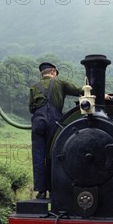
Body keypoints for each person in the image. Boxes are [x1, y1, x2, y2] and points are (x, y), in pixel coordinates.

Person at [29, 62, 83, 199]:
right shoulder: (60, 83)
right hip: (54, 121)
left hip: (38, 122)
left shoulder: (34, 87)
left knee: (38, 157)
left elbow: (31, 107)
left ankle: (41, 191)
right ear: (53, 72)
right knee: (55, 155)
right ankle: (55, 190)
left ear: (42, 74)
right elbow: (79, 91)